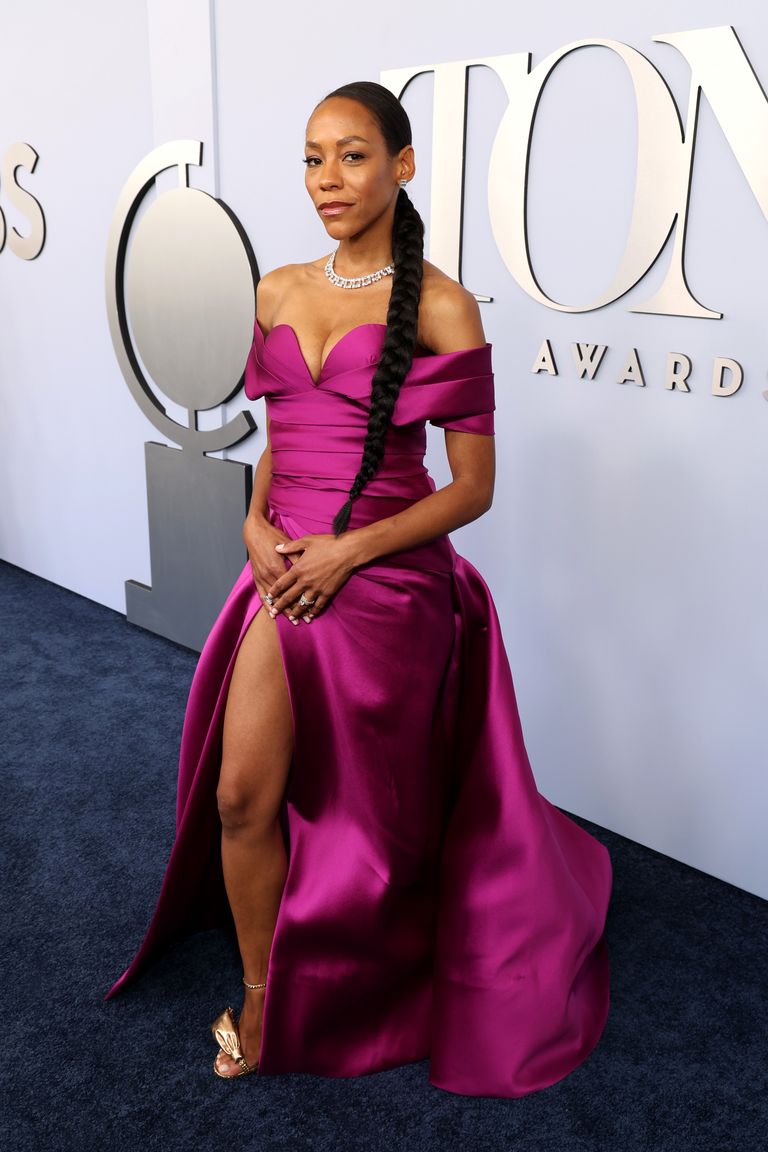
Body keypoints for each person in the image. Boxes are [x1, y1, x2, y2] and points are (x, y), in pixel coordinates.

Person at [106, 80, 612, 1098]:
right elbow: (278, 445)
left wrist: (348, 552)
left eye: (351, 155)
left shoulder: (442, 304)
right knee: (241, 795)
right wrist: (253, 527)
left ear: (402, 165)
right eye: (312, 158)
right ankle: (262, 992)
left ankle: (377, 975)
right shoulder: (277, 289)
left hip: (387, 581)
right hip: (282, 572)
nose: (327, 179)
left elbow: (471, 488)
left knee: (376, 827)